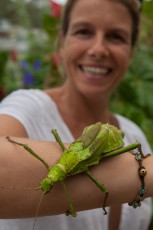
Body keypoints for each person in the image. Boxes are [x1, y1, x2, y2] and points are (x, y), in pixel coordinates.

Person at [0, 0, 152, 230]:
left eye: (116, 37)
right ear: (61, 42)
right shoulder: (25, 108)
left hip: (96, 147)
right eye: (84, 32)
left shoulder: (134, 133)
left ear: (131, 52)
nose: (98, 49)